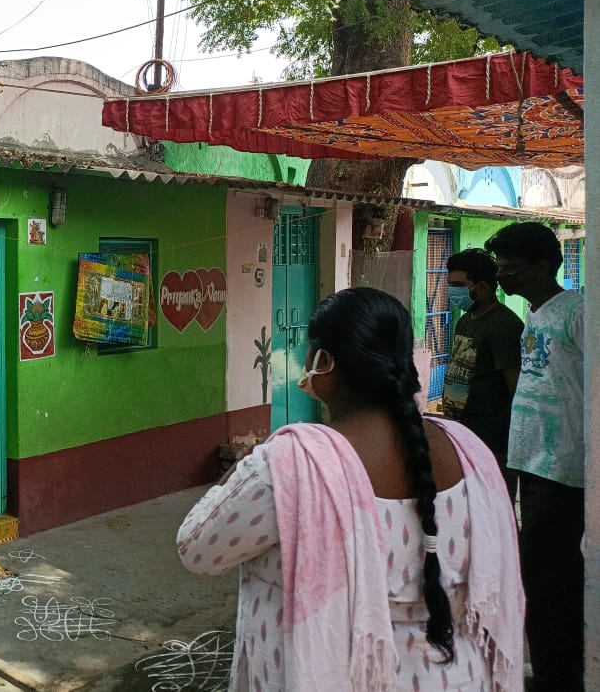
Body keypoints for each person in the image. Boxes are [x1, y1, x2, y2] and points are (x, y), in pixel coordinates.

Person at [178, 287, 523, 692]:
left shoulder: (294, 465)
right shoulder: (466, 448)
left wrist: (257, 461)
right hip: (458, 677)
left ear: (323, 362)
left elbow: (197, 548)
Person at [485, 222, 585, 692]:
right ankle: (552, 670)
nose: (502, 277)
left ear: (543, 265)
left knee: (549, 579)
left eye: (510, 268)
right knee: (542, 576)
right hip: (534, 463)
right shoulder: (535, 313)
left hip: (565, 468)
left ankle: (559, 676)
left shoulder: (577, 313)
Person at [441, 248, 523, 502]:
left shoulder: (504, 326)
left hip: (493, 438)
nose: (452, 292)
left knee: (494, 502)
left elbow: (515, 387)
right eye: (450, 285)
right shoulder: (465, 321)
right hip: (464, 432)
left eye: (458, 286)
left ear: (483, 288)